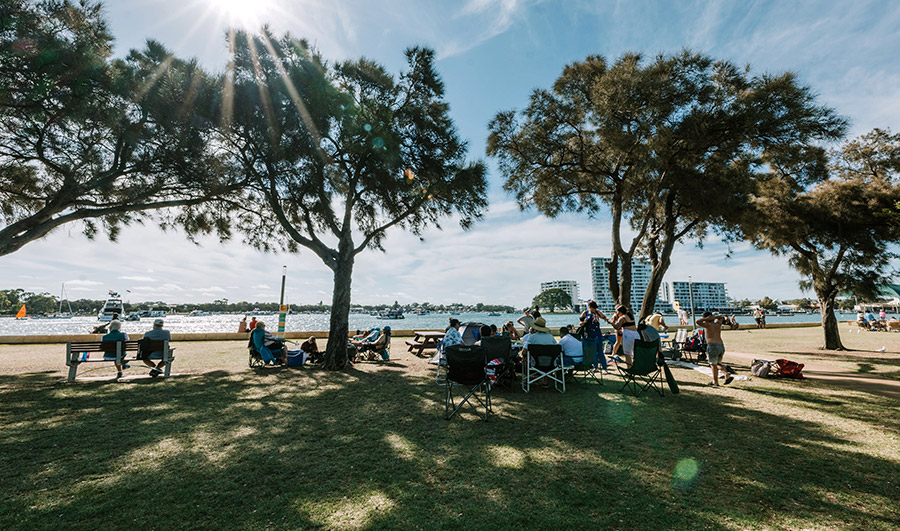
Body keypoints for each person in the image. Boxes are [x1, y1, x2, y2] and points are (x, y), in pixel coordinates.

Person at [696, 312, 734, 386]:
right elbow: (720, 317)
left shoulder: (707, 325)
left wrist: (707, 318)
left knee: (713, 365)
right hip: (721, 345)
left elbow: (697, 321)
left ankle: (715, 382)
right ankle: (727, 375)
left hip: (712, 346)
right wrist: (714, 317)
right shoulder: (717, 324)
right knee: (718, 363)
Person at [579, 300, 609, 373]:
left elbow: (604, 317)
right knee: (593, 351)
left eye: (595, 308)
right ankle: (594, 367)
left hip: (597, 333)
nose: (594, 310)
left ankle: (604, 368)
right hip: (589, 334)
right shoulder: (585, 313)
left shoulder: (597, 312)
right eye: (593, 308)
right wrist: (584, 322)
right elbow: (580, 323)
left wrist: (608, 320)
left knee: (600, 351)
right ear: (589, 307)